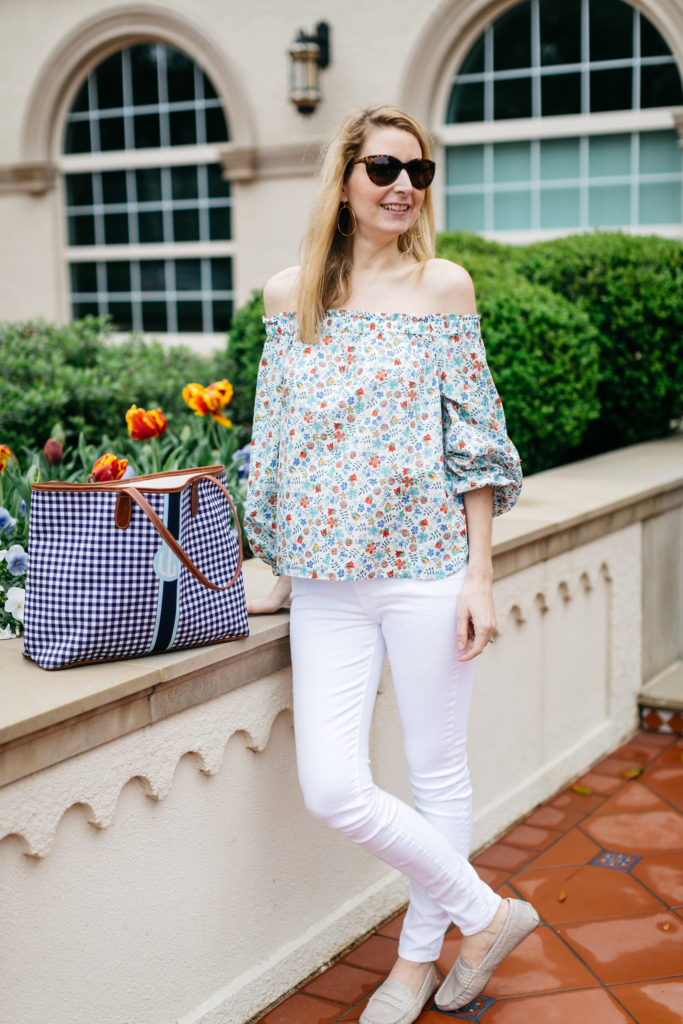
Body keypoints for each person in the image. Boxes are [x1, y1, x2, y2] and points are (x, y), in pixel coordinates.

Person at [244, 105, 538, 1024]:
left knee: (435, 771)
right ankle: (488, 916)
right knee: (334, 785)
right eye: (382, 168)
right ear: (343, 180)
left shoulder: (442, 288)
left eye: (418, 170)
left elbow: (477, 443)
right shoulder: (287, 295)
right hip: (326, 584)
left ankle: (414, 966)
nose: (403, 185)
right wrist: (273, 556)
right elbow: (273, 442)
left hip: (426, 572)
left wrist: (479, 577)